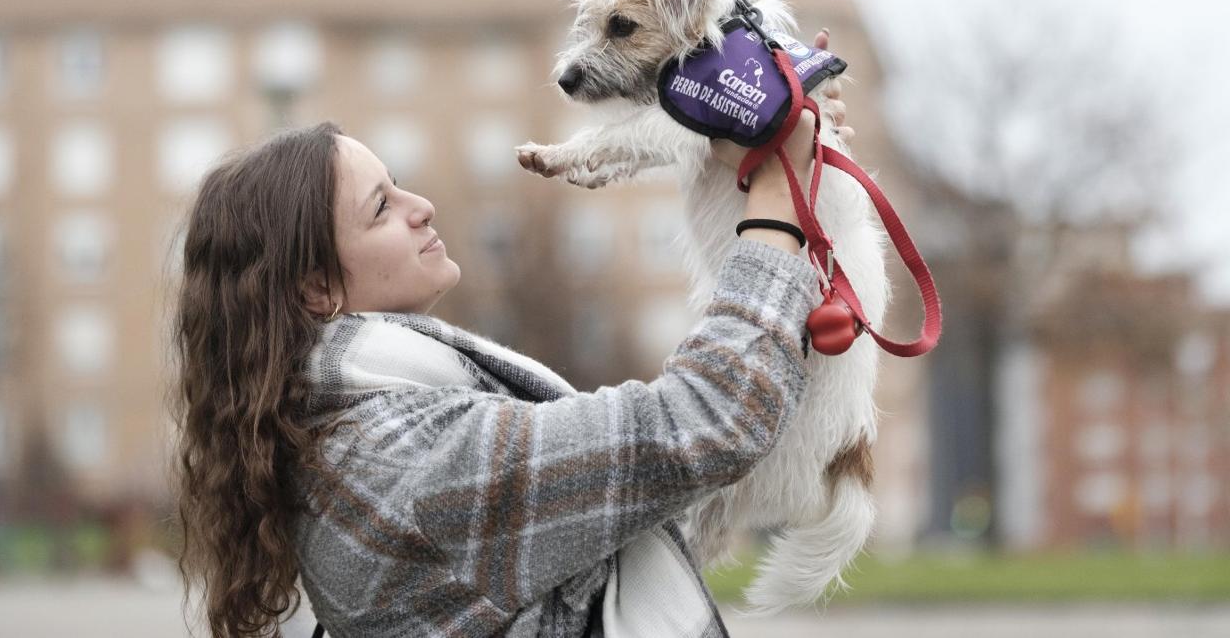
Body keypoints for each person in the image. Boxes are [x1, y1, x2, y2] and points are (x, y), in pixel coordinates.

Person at [170, 39, 853, 637]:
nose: (421, 207)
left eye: (398, 185)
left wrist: (782, 170)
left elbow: (636, 494)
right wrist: (778, 204)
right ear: (316, 289)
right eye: (381, 207)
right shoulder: (401, 459)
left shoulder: (350, 433)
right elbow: (704, 420)